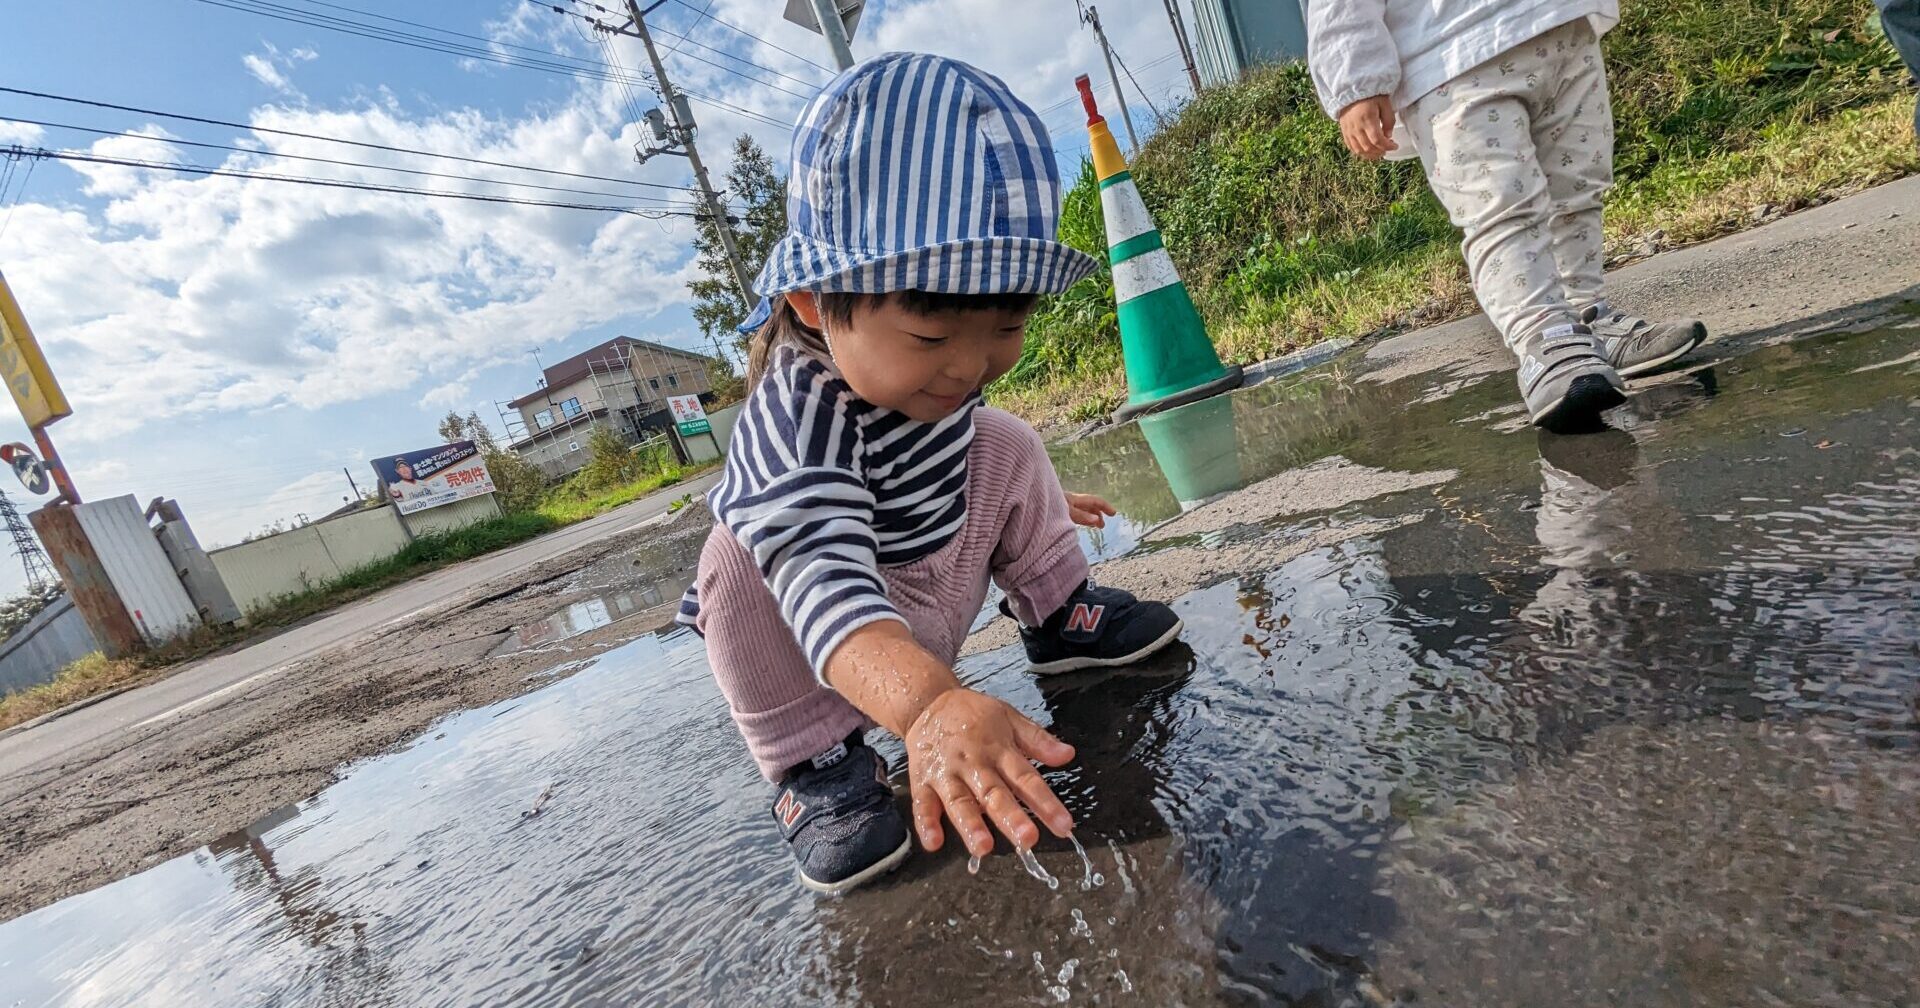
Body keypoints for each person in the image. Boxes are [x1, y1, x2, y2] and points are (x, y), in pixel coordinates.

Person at [675, 53, 1185, 894]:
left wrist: (1038, 506)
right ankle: (818, 768)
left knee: (1006, 438)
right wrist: (927, 707)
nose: (971, 364)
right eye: (933, 335)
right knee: (734, 562)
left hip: (934, 569)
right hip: (828, 636)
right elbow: (824, 581)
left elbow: (972, 455)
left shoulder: (941, 382)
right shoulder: (797, 421)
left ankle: (1058, 614)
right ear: (812, 301)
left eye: (1006, 325)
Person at [1306, 0, 1707, 431]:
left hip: (1559, 22)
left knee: (1577, 188)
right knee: (1500, 208)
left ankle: (1588, 318)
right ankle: (1545, 337)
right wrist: (1355, 82)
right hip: (1452, 54)